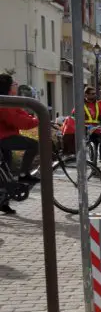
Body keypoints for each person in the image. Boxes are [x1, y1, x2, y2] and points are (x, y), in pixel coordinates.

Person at [0, 74, 40, 214]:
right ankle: (24, 173)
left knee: (5, 171)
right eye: (14, 83)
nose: (16, 85)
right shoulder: (3, 102)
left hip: (7, 136)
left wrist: (35, 118)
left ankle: (3, 202)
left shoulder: (10, 101)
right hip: (3, 137)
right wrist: (38, 120)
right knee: (34, 145)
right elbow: (19, 121)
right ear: (7, 87)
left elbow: (21, 114)